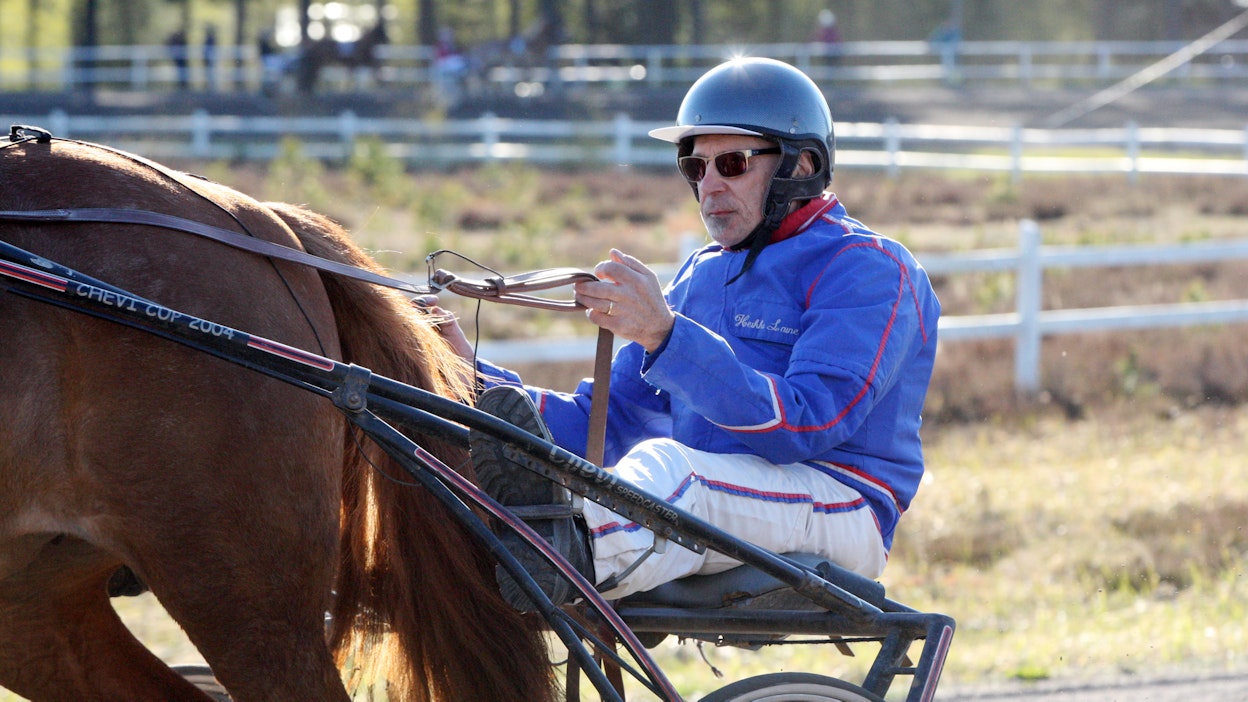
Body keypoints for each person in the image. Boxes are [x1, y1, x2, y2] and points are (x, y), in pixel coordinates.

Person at [431, 56, 940, 609]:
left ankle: (555, 554)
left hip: (840, 501)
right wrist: (468, 378)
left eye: (733, 162)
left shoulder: (868, 268)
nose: (710, 186)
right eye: (695, 168)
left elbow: (807, 422)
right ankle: (538, 545)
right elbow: (605, 421)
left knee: (673, 470)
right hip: (717, 497)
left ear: (801, 165)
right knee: (659, 468)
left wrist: (667, 337)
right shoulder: (701, 273)